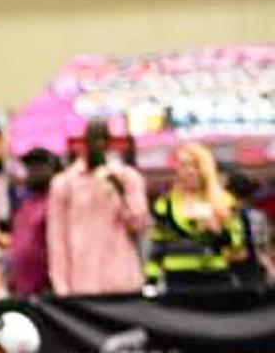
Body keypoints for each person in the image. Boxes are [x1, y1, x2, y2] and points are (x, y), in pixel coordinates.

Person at [47, 118, 150, 296]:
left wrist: (120, 191)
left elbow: (140, 225)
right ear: (85, 141)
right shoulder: (64, 183)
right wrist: (61, 285)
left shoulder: (128, 177)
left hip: (123, 282)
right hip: (82, 284)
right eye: (94, 138)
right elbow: (57, 238)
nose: (98, 144)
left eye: (103, 138)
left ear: (109, 142)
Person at [147, 144, 244, 292]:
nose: (190, 171)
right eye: (184, 165)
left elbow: (237, 246)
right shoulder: (165, 204)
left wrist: (218, 232)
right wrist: (150, 283)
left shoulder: (224, 201)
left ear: (206, 169)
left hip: (216, 277)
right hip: (177, 279)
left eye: (196, 165)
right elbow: (157, 247)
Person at [8, 147, 58, 296]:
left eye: (39, 165)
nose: (33, 171)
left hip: (48, 292)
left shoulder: (56, 202)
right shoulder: (24, 205)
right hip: (23, 291)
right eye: (30, 166)